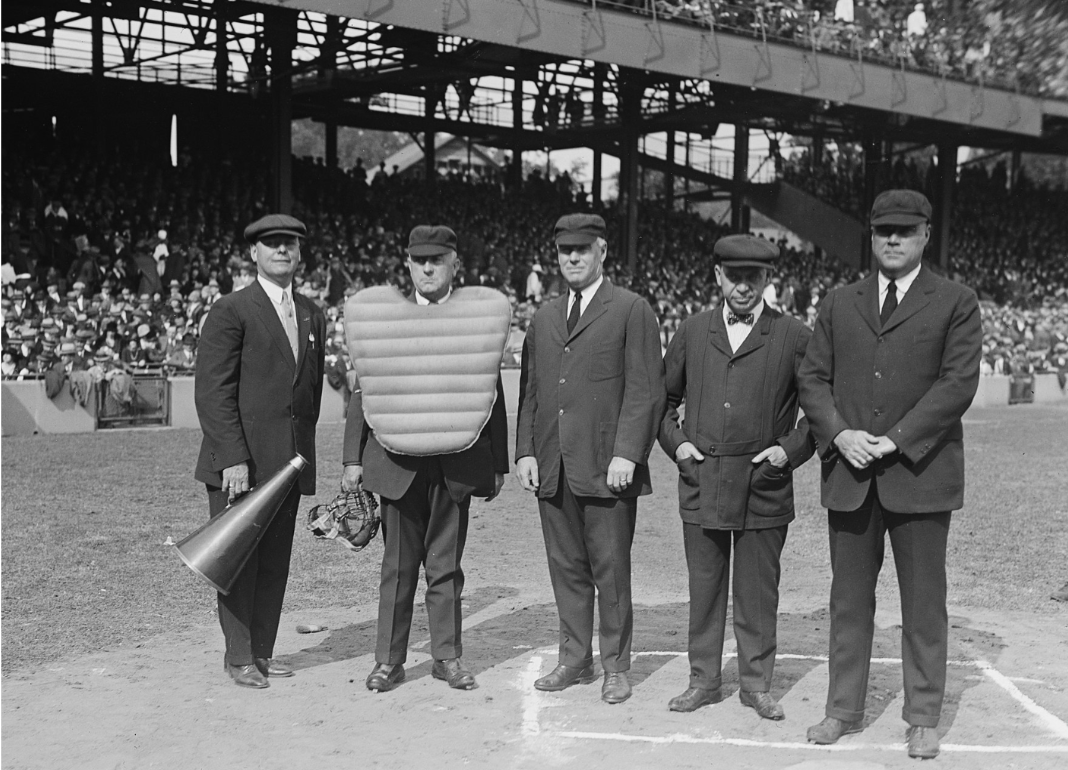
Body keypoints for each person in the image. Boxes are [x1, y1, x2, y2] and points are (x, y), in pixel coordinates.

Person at [798, 190, 982, 759]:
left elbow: (958, 385)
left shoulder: (956, 300)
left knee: (923, 602)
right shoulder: (838, 301)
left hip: (919, 473)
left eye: (905, 230)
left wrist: (896, 438)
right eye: (884, 231)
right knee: (849, 601)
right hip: (852, 474)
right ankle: (842, 709)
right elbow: (812, 379)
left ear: (927, 234)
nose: (894, 240)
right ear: (871, 236)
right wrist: (841, 434)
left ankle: (923, 715)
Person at [342, 225, 508, 693]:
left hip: (456, 464)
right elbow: (365, 390)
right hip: (397, 465)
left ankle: (447, 658)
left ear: (455, 264)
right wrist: (352, 458)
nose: (428, 268)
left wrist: (498, 463)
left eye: (438, 259)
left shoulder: (474, 319)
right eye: (420, 260)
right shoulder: (385, 321)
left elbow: (490, 390)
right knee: (397, 568)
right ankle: (389, 661)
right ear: (408, 264)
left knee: (446, 567)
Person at [658, 235, 815, 719]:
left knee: (758, 592)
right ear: (717, 276)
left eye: (753, 277)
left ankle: (755, 684)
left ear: (769, 280)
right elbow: (661, 404)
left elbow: (820, 414)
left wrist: (786, 453)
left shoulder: (793, 336)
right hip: (702, 479)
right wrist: (678, 446)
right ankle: (703, 680)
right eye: (734, 275)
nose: (743, 286)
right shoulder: (692, 330)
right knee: (704, 589)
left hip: (762, 484)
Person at [515, 213, 666, 705]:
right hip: (554, 466)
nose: (573, 258)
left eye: (583, 249)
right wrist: (525, 451)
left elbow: (646, 391)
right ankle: (575, 659)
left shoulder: (630, 308)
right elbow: (531, 393)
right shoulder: (544, 316)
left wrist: (628, 452)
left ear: (603, 251)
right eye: (565, 250)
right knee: (566, 569)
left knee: (611, 571)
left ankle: (616, 667)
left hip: (608, 468)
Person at [194, 213, 327, 689]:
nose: (282, 251)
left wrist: (303, 460)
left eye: (290, 243)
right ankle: (239, 657)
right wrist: (232, 456)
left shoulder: (312, 312)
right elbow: (212, 392)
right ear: (253, 253)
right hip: (241, 466)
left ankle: (263, 653)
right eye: (271, 244)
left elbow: (306, 396)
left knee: (274, 564)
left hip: (288, 464)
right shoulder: (232, 309)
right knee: (238, 563)